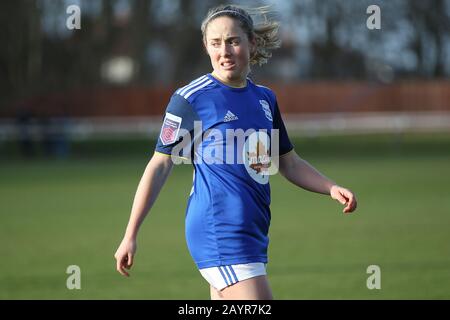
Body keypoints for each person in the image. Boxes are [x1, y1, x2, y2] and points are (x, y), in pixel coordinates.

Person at [114, 4, 357, 300]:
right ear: (206, 47)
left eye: (233, 41)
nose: (224, 51)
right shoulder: (191, 99)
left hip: (253, 231)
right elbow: (160, 165)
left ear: (251, 42)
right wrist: (130, 235)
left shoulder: (265, 99)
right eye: (215, 43)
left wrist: (330, 188)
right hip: (219, 231)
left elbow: (288, 163)